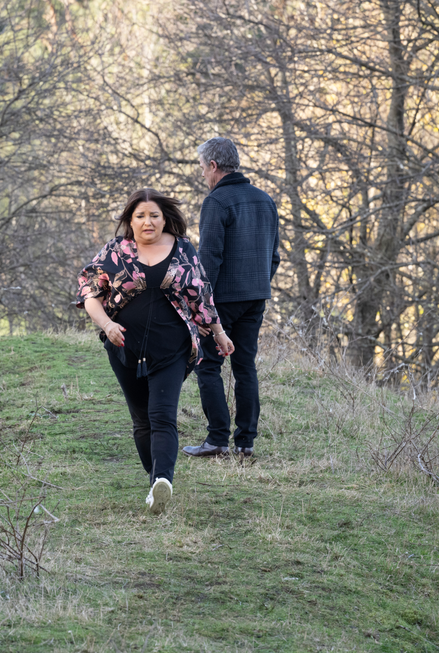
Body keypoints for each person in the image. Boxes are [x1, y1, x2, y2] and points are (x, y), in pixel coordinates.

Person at [77, 189, 234, 515]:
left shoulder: (183, 250)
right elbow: (90, 294)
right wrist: (107, 326)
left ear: (165, 219)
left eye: (154, 215)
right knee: (141, 420)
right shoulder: (115, 252)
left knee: (162, 416)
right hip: (124, 347)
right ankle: (155, 484)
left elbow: (201, 296)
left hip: (172, 348)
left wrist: (218, 333)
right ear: (129, 220)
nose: (148, 221)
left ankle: (164, 479)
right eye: (140, 216)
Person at [182, 137, 280, 459]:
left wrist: (200, 303)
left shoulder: (217, 202)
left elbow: (209, 259)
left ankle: (217, 440)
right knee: (244, 366)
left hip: (221, 301)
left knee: (207, 365)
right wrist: (258, 286)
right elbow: (274, 257)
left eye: (202, 168)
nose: (202, 176)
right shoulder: (265, 200)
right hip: (256, 298)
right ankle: (245, 442)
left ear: (213, 166)